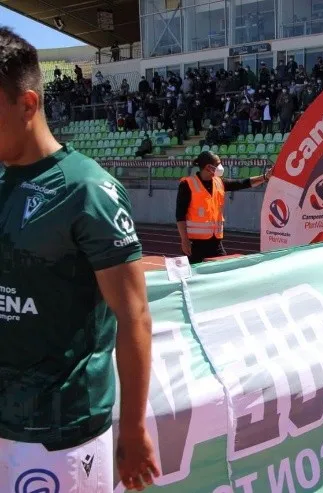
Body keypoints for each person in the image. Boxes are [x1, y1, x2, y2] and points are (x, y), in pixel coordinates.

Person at [0, 27, 160, 491]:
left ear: (27, 104)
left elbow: (135, 317)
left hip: (62, 437)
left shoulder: (88, 191)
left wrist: (133, 427)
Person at [176, 151, 272, 264]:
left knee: (222, 269)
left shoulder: (219, 182)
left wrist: (264, 177)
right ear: (208, 167)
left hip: (215, 242)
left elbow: (242, 183)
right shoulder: (187, 184)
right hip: (195, 243)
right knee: (192, 273)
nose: (220, 166)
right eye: (217, 164)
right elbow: (180, 214)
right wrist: (184, 240)